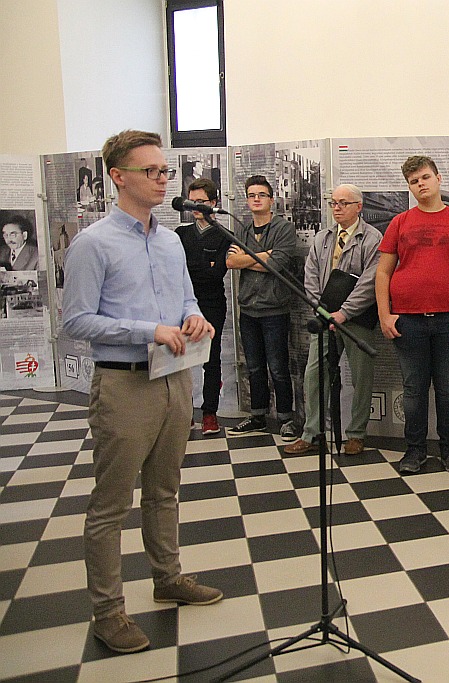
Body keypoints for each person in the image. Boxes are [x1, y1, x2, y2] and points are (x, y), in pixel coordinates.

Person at [62, 130, 222, 655]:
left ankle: (168, 576)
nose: (161, 180)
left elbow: (186, 298)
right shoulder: (94, 243)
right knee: (110, 504)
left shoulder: (171, 238)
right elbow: (77, 321)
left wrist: (194, 318)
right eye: (151, 171)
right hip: (124, 382)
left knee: (165, 488)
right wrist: (146, 330)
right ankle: (108, 612)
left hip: (174, 376)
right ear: (118, 177)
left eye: (165, 172)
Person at [376, 155, 449, 474]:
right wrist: (385, 314)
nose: (420, 184)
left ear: (438, 178)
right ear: (409, 187)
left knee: (448, 388)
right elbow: (383, 273)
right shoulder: (400, 223)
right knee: (413, 389)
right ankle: (415, 450)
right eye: (413, 181)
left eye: (424, 177)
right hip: (408, 321)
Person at [285, 184, 381, 457]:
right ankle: (312, 433)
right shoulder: (323, 238)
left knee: (361, 377)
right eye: (333, 203)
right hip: (325, 318)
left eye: (343, 203)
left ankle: (356, 434)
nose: (336, 208)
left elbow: (370, 282)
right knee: (314, 375)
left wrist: (345, 312)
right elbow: (311, 274)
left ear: (358, 207)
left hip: (356, 319)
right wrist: (323, 309)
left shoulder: (372, 239)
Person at [226, 175, 299, 439]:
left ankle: (285, 419)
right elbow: (230, 262)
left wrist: (248, 258)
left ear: (271, 199)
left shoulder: (283, 228)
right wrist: (265, 256)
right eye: (252, 195)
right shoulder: (242, 230)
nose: (256, 199)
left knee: (278, 367)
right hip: (248, 310)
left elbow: (276, 264)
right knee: (254, 366)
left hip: (274, 310)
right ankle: (257, 415)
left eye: (261, 195)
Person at [175, 178, 231, 435]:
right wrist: (203, 266)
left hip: (212, 303)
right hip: (182, 304)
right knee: (180, 359)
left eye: (202, 202)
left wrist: (200, 267)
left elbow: (216, 272)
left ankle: (210, 413)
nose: (196, 207)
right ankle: (184, 412)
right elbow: (177, 272)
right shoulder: (181, 234)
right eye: (191, 201)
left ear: (214, 203)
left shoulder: (222, 234)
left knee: (211, 358)